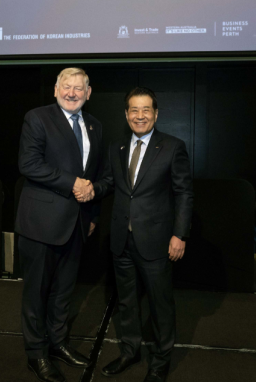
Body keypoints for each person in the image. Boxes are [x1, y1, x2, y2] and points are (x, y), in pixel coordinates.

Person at [76, 87, 193, 382]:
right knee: (126, 303)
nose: (140, 116)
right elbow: (109, 184)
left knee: (160, 304)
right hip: (121, 241)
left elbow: (184, 194)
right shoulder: (117, 147)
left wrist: (180, 235)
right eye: (134, 110)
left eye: (146, 110)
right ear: (126, 115)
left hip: (156, 242)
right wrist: (91, 189)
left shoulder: (172, 146)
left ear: (155, 114)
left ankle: (160, 362)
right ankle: (130, 352)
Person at [17, 67, 102, 382]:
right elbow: (28, 164)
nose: (72, 93)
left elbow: (95, 175)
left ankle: (58, 344)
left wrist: (92, 215)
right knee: (36, 294)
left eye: (79, 88)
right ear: (55, 89)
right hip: (41, 224)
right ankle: (36, 354)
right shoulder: (37, 118)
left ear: (88, 93)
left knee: (64, 293)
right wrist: (72, 183)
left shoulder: (95, 125)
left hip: (77, 225)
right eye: (67, 86)